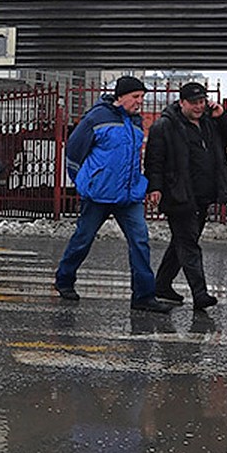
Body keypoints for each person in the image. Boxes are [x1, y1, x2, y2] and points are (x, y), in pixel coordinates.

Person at [54, 76, 171, 313]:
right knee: (83, 240)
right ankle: (64, 280)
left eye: (142, 97)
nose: (140, 102)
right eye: (136, 97)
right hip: (98, 194)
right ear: (121, 96)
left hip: (128, 196)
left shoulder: (136, 122)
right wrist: (84, 181)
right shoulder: (96, 117)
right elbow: (74, 152)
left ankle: (143, 296)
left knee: (140, 241)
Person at [145, 81, 227, 311]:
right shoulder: (165, 126)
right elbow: (154, 161)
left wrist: (222, 115)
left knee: (183, 241)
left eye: (202, 101)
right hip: (178, 193)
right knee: (188, 244)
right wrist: (155, 187)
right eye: (194, 102)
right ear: (182, 103)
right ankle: (200, 294)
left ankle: (162, 285)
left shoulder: (210, 122)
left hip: (203, 195)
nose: (199, 106)